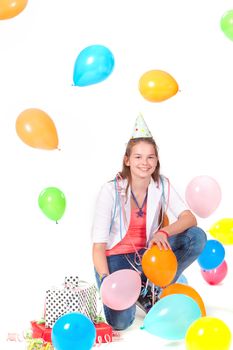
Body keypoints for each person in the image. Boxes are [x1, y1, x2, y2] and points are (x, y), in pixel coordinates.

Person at [91, 114, 207, 331]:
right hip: (116, 260)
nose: (144, 163)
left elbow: (190, 218)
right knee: (121, 323)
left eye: (150, 157)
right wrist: (106, 281)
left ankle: (152, 285)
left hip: (148, 255)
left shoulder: (161, 185)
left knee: (196, 237)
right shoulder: (110, 191)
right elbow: (98, 247)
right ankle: (139, 290)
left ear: (157, 160)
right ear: (127, 160)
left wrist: (163, 233)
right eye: (138, 157)